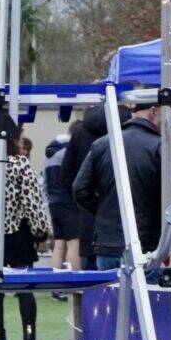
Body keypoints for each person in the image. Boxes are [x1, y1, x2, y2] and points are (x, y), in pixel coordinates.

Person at [71, 98, 161, 270]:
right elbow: (167, 195)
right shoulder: (159, 146)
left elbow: (79, 189)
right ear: (153, 111)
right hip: (145, 244)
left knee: (109, 295)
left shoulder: (102, 144)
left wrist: (104, 211)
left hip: (107, 244)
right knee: (145, 296)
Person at [0, 135, 53, 340]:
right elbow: (33, 202)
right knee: (25, 289)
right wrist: (41, 232)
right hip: (18, 233)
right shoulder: (21, 164)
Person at [59, 106, 105, 268]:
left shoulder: (78, 132)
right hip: (126, 226)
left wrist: (89, 204)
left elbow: (66, 176)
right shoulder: (126, 127)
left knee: (93, 285)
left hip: (90, 221)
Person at [43, 133, 80, 271]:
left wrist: (51, 199)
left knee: (59, 245)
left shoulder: (49, 155)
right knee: (73, 244)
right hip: (68, 202)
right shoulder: (68, 153)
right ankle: (75, 284)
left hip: (54, 203)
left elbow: (45, 184)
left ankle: (56, 286)